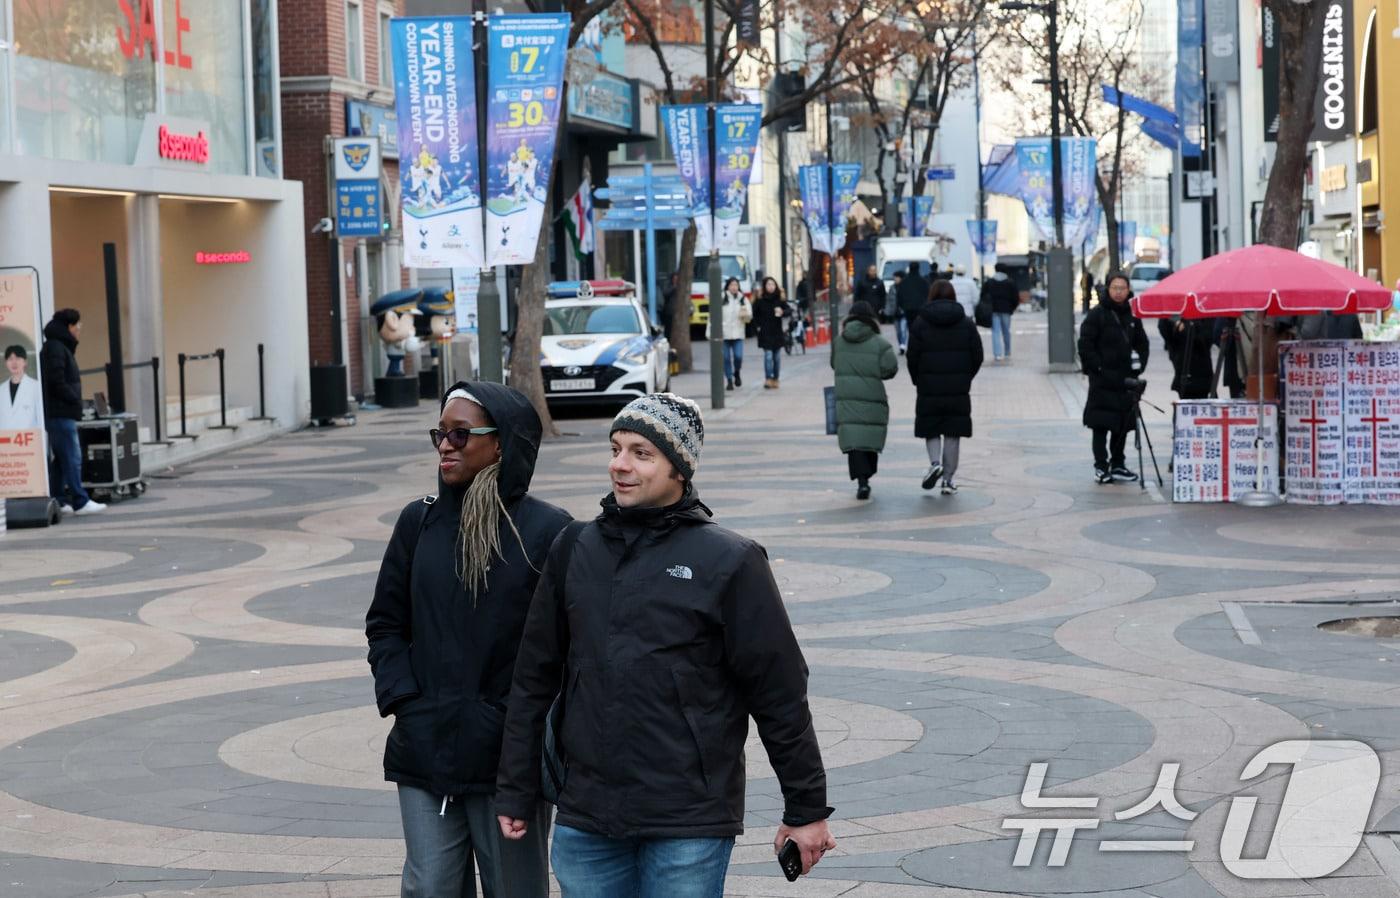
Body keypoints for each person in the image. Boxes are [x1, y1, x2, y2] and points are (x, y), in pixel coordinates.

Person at [495, 393, 836, 897]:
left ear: (679, 468)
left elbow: (779, 692)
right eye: (616, 448)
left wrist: (806, 810)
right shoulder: (574, 547)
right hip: (587, 815)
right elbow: (533, 677)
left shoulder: (731, 560)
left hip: (688, 820)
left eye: (641, 453)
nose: (620, 465)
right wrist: (515, 787)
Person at [366, 382, 571, 898]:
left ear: (501, 442)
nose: (445, 445)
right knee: (429, 886)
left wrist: (517, 722)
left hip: (508, 758)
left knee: (514, 888)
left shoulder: (548, 531)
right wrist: (405, 701)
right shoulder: (419, 522)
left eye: (460, 434)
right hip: (424, 747)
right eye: (439, 433)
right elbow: (385, 622)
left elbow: (566, 648)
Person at [907, 280, 983, 495]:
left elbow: (912, 356)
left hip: (928, 386)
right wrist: (966, 377)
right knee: (952, 432)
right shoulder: (966, 323)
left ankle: (935, 464)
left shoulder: (920, 323)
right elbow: (977, 355)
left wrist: (917, 379)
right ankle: (948, 480)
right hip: (957, 388)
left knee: (931, 427)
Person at [1078, 272, 1150, 484]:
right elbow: (1085, 345)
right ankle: (1101, 466)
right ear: (1108, 289)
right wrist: (1097, 367)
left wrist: (1138, 366)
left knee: (1122, 424)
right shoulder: (1097, 314)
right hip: (1102, 381)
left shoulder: (1132, 315)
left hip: (1125, 381)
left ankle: (1118, 464)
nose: (1119, 292)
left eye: (1122, 288)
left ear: (1128, 290)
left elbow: (1142, 343)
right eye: (1115, 288)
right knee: (1100, 425)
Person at [832, 301, 898, 500]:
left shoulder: (839, 342)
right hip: (872, 397)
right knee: (869, 437)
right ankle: (866, 476)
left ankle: (862, 481)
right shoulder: (880, 343)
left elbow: (834, 364)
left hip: (847, 397)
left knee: (854, 439)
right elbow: (890, 369)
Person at [40, 309, 103, 516]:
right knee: (72, 457)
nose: (79, 330)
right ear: (69, 327)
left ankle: (59, 499)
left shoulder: (57, 347)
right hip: (60, 412)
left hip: (60, 411)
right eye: (77, 326)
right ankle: (80, 501)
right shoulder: (56, 348)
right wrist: (74, 398)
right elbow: (56, 380)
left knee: (61, 458)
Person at [706, 277, 752, 390]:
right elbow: (712, 316)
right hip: (724, 334)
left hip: (738, 333)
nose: (734, 287)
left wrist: (745, 314)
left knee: (738, 356)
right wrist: (709, 332)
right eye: (732, 285)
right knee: (725, 358)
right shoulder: (721, 298)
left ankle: (737, 372)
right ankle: (729, 380)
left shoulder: (743, 299)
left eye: (736, 285)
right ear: (728, 286)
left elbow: (749, 317)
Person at [1158, 317, 1213, 400]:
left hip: (1201, 371)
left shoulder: (1203, 317)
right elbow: (1164, 328)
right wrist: (1176, 325)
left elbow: (1207, 338)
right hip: (1182, 367)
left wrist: (1187, 328)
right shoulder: (1174, 317)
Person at [752, 277, 791, 389]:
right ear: (765, 286)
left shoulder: (779, 299)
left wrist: (782, 312)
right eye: (768, 284)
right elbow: (754, 314)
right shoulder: (760, 300)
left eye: (773, 284)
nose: (771, 286)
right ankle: (768, 378)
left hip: (777, 332)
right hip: (765, 332)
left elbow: (789, 310)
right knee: (768, 356)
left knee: (777, 357)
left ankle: (776, 378)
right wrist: (757, 327)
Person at [981, 263, 1019, 362]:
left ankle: (997, 354)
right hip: (1006, 310)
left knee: (995, 332)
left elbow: (983, 295)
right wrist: (1012, 308)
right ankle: (1007, 352)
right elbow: (1015, 297)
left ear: (995, 269)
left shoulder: (989, 282)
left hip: (993, 310)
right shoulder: (1010, 282)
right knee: (1006, 331)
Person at [1, 345, 44, 431]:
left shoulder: (36, 387)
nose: (14, 362)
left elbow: (41, 419)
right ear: (6, 363)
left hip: (30, 437)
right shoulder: (1, 389)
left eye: (17, 358)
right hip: (6, 437)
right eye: (10, 359)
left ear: (25, 362)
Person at [895, 262, 929, 355]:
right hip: (920, 309)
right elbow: (927, 295)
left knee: (911, 329)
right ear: (918, 268)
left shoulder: (904, 282)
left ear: (909, 268)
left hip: (908, 309)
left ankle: (912, 347)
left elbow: (899, 296)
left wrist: (903, 306)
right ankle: (920, 346)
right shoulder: (923, 281)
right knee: (920, 329)